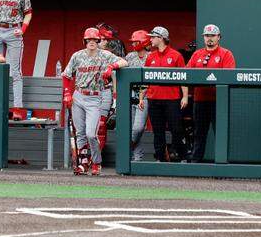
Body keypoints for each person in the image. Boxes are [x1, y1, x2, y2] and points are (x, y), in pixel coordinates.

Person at [61, 27, 127, 175]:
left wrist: (112, 66)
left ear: (98, 41)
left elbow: (124, 62)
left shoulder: (105, 55)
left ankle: (96, 162)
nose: (91, 42)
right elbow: (66, 75)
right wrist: (66, 93)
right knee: (80, 133)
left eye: (94, 40)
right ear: (85, 41)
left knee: (91, 133)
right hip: (79, 95)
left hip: (95, 97)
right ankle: (83, 163)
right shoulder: (77, 56)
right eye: (89, 40)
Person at [187, 24, 236, 163]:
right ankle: (195, 164)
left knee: (220, 133)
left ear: (219, 37)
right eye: (207, 36)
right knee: (199, 133)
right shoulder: (197, 54)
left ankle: (222, 164)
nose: (209, 39)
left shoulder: (226, 54)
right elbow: (187, 73)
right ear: (203, 38)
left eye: (213, 36)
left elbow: (229, 76)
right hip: (200, 100)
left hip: (219, 101)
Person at [143, 26, 188, 162]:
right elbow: (145, 79)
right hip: (154, 99)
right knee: (158, 131)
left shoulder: (176, 55)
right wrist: (141, 97)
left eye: (153, 37)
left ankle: (181, 156)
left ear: (161, 38)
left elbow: (184, 77)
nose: (150, 39)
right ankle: (160, 158)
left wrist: (185, 96)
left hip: (172, 99)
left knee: (176, 129)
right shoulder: (150, 57)